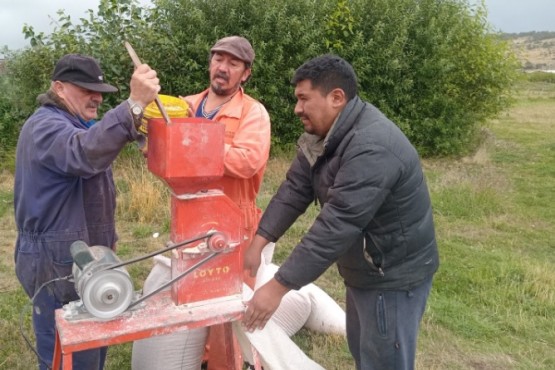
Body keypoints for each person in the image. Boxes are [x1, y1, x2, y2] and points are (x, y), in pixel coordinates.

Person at [242, 54, 440, 370]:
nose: (297, 109)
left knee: (384, 362)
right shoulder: (323, 136)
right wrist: (260, 240)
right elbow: (295, 188)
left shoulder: (372, 146)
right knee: (365, 354)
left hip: (392, 275)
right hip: (365, 267)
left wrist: (278, 287)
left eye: (304, 99)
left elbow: (337, 224)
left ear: (336, 97)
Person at [132, 36, 271, 370]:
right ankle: (196, 356)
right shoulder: (184, 106)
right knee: (192, 291)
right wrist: (148, 131)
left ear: (245, 74)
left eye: (233, 63)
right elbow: (157, 150)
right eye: (218, 59)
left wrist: (192, 143)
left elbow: (247, 161)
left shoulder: (253, 113)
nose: (222, 68)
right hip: (190, 215)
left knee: (230, 301)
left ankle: (241, 361)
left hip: (235, 220)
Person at [13, 53, 160, 370]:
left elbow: (94, 150)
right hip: (54, 262)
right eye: (86, 89)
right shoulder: (45, 127)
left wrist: (141, 132)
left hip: (81, 254)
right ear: (59, 88)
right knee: (69, 357)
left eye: (101, 92)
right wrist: (133, 105)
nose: (96, 98)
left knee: (91, 349)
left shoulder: (75, 123)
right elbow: (84, 152)